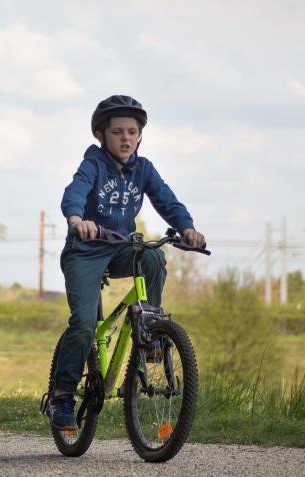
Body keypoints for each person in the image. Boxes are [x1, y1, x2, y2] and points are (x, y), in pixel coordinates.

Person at [47, 95, 206, 431]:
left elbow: (166, 199)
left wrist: (187, 228)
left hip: (120, 248)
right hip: (86, 251)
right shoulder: (93, 164)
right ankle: (62, 394)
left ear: (140, 136)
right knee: (85, 323)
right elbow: (74, 191)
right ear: (101, 135)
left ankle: (149, 333)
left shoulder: (143, 168)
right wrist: (77, 219)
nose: (125, 138)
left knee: (152, 256)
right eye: (117, 131)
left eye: (132, 132)